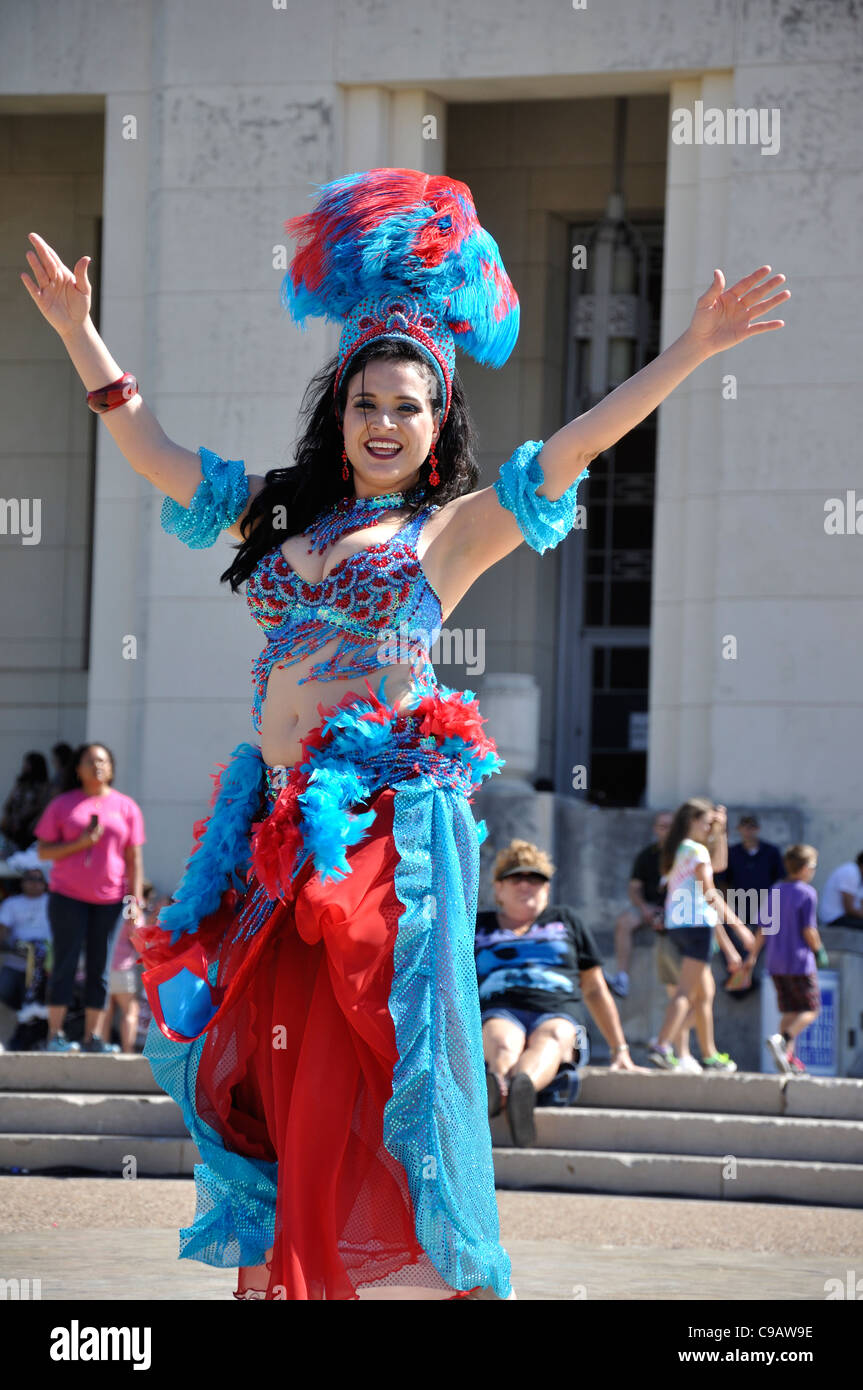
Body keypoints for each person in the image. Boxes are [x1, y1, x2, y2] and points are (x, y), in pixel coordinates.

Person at [20, 169, 789, 1301]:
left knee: (374, 1072)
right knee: (281, 1086)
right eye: (364, 403)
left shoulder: (446, 534)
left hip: (377, 840)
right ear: (339, 413)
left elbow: (569, 452)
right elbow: (154, 452)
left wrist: (687, 354)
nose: (382, 423)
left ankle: (408, 1285)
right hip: (278, 835)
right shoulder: (279, 514)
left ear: (438, 425)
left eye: (406, 407)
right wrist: (83, 334)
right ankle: (307, 1277)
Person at [476, 839, 644, 1148]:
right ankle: (500, 1086)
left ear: (547, 888)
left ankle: (517, 1090)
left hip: (557, 1009)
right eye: (516, 878)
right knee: (502, 1039)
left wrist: (619, 1049)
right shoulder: (479, 926)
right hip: (500, 1008)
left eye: (536, 879)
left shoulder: (565, 921)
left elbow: (594, 987)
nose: (527, 885)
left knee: (553, 1036)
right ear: (498, 888)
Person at [33, 743, 145, 1054]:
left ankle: (93, 1037)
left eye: (103, 761)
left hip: (109, 900)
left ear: (111, 768)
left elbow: (134, 858)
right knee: (66, 963)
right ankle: (55, 1035)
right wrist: (81, 843)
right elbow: (43, 851)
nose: (98, 766)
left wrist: (135, 901)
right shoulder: (63, 804)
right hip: (67, 896)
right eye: (90, 761)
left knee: (101, 966)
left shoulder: (126, 807)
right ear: (78, 769)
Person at [649, 798, 756, 1073]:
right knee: (686, 992)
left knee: (705, 993)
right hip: (696, 927)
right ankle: (662, 1045)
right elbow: (711, 891)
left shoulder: (678, 850)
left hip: (678, 926)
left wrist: (720, 830)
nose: (709, 828)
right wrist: (740, 928)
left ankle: (709, 1054)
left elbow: (718, 864)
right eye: (706, 823)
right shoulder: (697, 850)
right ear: (691, 822)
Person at [741, 844, 827, 1076]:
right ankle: (783, 1040)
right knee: (811, 1010)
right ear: (805, 868)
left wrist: (753, 956)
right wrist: (819, 950)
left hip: (776, 963)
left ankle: (786, 1058)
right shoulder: (807, 893)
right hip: (800, 963)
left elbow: (764, 927)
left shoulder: (776, 890)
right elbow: (809, 929)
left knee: (790, 1011)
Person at [607, 811, 672, 999]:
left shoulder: (684, 854)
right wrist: (644, 908)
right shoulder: (646, 855)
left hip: (677, 910)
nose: (666, 831)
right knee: (624, 922)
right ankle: (622, 977)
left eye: (670, 827)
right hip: (651, 907)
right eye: (662, 826)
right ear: (655, 829)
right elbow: (634, 888)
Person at [0, 868, 52, 1037]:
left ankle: (33, 1034)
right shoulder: (12, 903)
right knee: (5, 989)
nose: (34, 883)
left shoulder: (53, 902)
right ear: (22, 882)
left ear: (45, 883)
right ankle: (24, 1015)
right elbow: (3, 931)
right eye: (29, 878)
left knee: (37, 999)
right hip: (16, 960)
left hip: (44, 967)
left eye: (38, 879)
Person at [0, 751, 52, 855]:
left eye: (28, 764)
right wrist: (10, 818)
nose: (25, 766)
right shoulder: (21, 783)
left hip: (28, 830)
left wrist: (23, 820)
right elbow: (9, 803)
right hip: (12, 827)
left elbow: (40, 807)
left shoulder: (44, 786)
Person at [818, 852, 863, 928]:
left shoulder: (859, 875)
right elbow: (849, 909)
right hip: (834, 918)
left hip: (846, 917)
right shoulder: (851, 871)